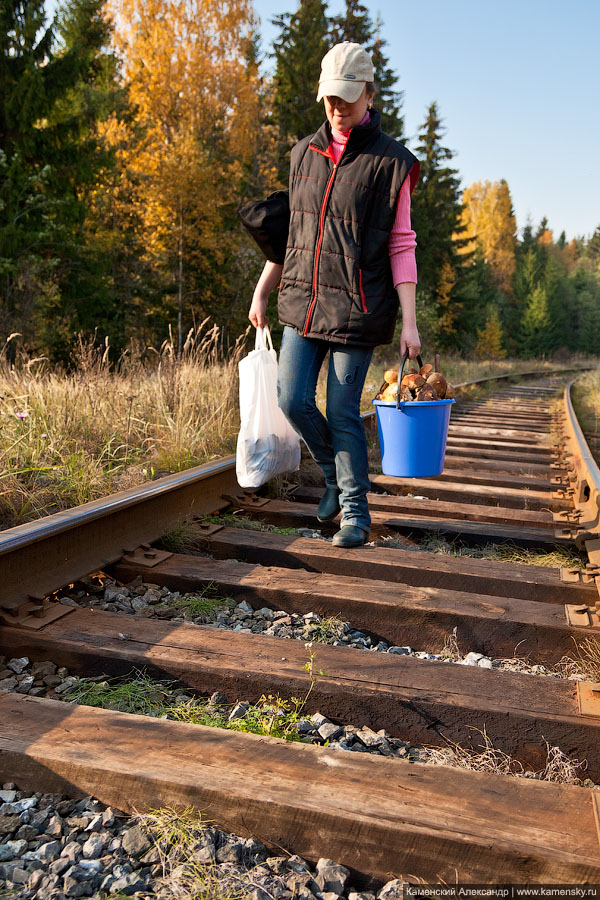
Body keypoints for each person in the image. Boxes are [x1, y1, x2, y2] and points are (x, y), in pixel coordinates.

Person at [248, 42, 421, 548]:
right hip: (302, 300)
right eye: (329, 99)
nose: (337, 108)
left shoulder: (391, 164)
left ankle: (354, 513)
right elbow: (291, 236)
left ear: (369, 93)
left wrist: (409, 323)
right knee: (291, 398)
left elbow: (402, 244)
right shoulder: (303, 153)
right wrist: (263, 289)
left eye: (346, 98)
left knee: (342, 408)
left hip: (358, 305)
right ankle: (332, 474)